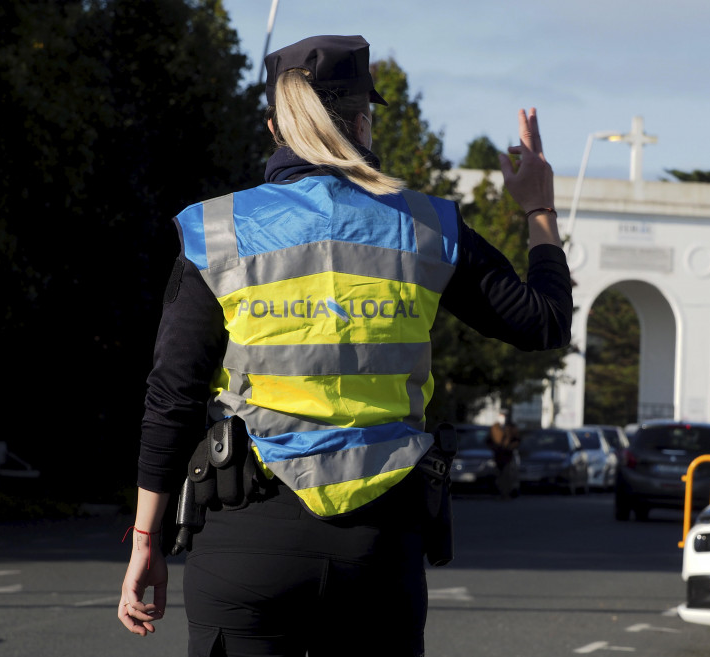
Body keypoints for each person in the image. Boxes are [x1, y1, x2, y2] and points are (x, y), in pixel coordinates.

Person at [118, 34, 572, 657]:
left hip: (248, 539)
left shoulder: (216, 231)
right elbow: (543, 322)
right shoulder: (430, 227)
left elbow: (172, 394)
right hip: (378, 548)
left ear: (275, 125)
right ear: (363, 120)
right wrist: (538, 208)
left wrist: (147, 538)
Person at [488, 409, 521, 498]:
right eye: (501, 415)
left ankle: (506, 493)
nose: (502, 418)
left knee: (507, 475)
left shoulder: (511, 427)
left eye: (504, 416)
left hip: (508, 455)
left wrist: (510, 447)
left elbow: (517, 440)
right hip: (498, 455)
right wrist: (494, 448)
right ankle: (500, 491)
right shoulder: (495, 427)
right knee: (499, 474)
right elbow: (489, 440)